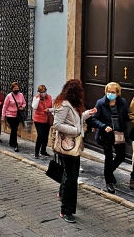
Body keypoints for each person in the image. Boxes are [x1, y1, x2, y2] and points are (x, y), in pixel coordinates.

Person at [53, 79, 96, 223]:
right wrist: (76, 131)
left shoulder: (72, 105)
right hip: (67, 145)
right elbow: (57, 124)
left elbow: (75, 120)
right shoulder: (64, 104)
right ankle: (66, 210)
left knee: (71, 174)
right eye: (80, 90)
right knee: (72, 177)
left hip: (73, 145)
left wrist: (88, 114)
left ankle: (63, 195)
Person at [90, 82, 129, 194]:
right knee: (108, 156)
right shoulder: (100, 103)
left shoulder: (122, 103)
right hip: (106, 135)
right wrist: (103, 126)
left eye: (113, 92)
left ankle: (109, 172)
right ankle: (108, 182)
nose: (110, 94)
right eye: (108, 91)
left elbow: (126, 116)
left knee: (121, 156)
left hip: (119, 133)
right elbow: (94, 119)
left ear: (117, 93)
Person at [2, 82, 26, 152]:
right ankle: (15, 144)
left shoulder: (21, 95)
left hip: (17, 115)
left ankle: (11, 141)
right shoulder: (9, 96)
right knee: (14, 128)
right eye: (15, 88)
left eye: (17, 88)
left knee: (14, 129)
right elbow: (5, 106)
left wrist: (22, 107)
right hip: (10, 115)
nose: (16, 89)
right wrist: (3, 116)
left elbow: (24, 103)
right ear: (12, 89)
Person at [32, 85, 53, 158]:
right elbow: (34, 107)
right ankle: (36, 152)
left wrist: (49, 110)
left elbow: (52, 107)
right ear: (39, 92)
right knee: (40, 135)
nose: (43, 93)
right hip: (38, 120)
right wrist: (38, 98)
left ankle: (43, 150)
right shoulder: (36, 98)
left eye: (44, 92)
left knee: (45, 136)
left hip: (47, 119)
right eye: (41, 92)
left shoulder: (49, 97)